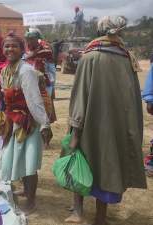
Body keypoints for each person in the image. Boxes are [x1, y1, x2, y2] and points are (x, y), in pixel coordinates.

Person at [66, 16, 147, 225]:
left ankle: (77, 212)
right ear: (120, 32)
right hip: (117, 126)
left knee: (80, 163)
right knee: (107, 167)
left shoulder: (90, 57)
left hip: (89, 125)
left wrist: (75, 129)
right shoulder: (128, 57)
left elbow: (80, 96)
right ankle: (100, 218)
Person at [0, 33, 53, 214]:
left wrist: (44, 124)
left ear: (22, 49)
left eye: (14, 46)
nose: (10, 49)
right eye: (7, 46)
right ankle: (26, 191)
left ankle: (31, 200)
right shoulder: (5, 70)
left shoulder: (25, 71)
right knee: (18, 157)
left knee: (29, 162)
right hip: (13, 120)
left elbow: (34, 100)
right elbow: (10, 94)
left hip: (28, 122)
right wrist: (0, 93)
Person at [24, 28, 57, 141]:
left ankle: (46, 134)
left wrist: (31, 55)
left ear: (37, 39)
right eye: (27, 39)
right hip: (33, 83)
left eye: (31, 39)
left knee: (44, 109)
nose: (29, 42)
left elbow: (46, 53)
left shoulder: (45, 47)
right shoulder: (28, 49)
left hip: (46, 83)